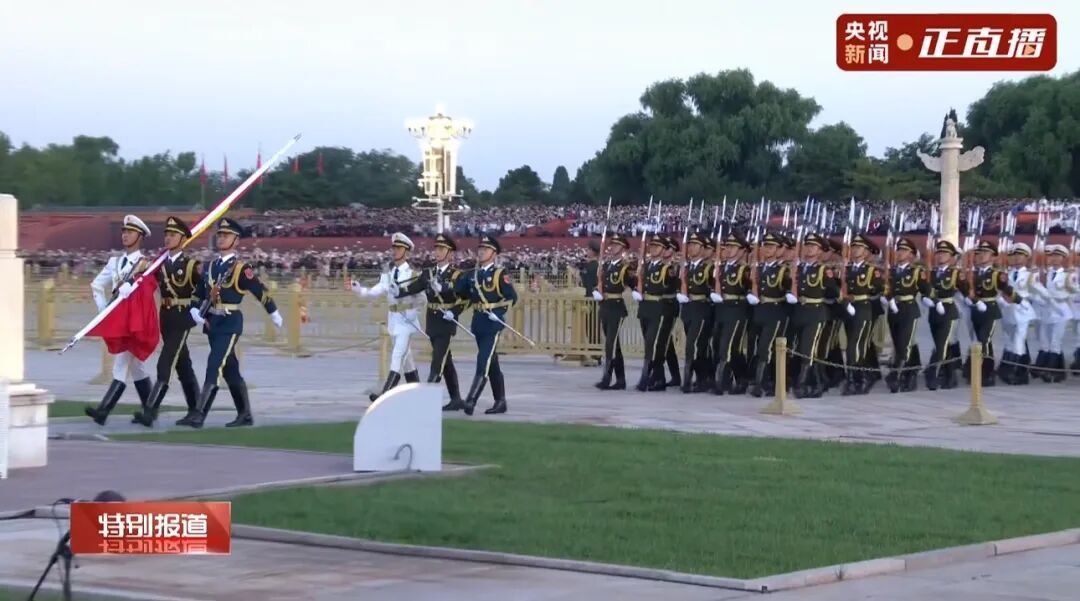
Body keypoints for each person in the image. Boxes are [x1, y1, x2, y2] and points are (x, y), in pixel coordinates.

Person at [183, 218, 283, 428]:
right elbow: (198, 292)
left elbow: (259, 290)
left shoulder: (240, 269)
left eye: (226, 236)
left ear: (236, 241)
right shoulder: (210, 267)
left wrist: (273, 311)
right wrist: (194, 308)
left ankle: (199, 414)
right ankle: (245, 414)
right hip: (212, 322)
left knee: (214, 364)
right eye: (219, 235)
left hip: (230, 322)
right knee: (230, 370)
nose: (221, 238)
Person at [133, 216, 203, 427]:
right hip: (166, 316)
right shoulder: (158, 264)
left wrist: (198, 310)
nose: (168, 238)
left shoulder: (191, 265)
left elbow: (204, 290)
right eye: (166, 235)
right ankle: (196, 411)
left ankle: (150, 411)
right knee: (183, 366)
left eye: (172, 235)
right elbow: (144, 282)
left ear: (182, 238)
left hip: (183, 317)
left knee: (165, 364)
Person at [85, 214, 154, 425]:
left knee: (121, 366)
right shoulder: (114, 262)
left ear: (140, 237)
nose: (125, 235)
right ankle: (150, 413)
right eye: (124, 231)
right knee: (137, 369)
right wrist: (104, 310)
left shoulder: (145, 264)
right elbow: (97, 285)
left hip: (135, 323)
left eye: (130, 232)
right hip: (119, 322)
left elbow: (149, 290)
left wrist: (135, 286)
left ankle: (103, 412)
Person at [351, 232, 428, 401]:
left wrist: (412, 311)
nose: (395, 251)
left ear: (407, 252)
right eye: (394, 247)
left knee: (398, 356)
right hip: (394, 319)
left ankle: (385, 395)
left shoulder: (413, 275)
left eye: (399, 248)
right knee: (407, 360)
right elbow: (376, 291)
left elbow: (422, 299)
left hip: (407, 321)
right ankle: (418, 395)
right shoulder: (388, 274)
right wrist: (360, 291)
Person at [401, 233, 469, 411]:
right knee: (446, 361)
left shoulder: (457, 276)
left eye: (442, 249)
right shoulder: (428, 272)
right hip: (432, 321)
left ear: (450, 253)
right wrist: (396, 289)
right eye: (436, 249)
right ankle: (456, 399)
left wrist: (454, 312)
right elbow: (414, 287)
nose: (437, 252)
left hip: (446, 323)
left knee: (437, 361)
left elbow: (465, 298)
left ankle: (426, 399)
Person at [456, 235, 518, 415]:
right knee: (492, 364)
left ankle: (471, 400)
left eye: (486, 249)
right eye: (480, 249)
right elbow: (461, 293)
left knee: (483, 360)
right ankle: (501, 401)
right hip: (478, 323)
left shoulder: (500, 274)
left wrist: (497, 314)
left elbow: (511, 298)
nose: (481, 252)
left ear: (494, 253)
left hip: (492, 324)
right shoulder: (473, 274)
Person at [789, 233, 839, 399]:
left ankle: (802, 384)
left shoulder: (824, 270)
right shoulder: (799, 269)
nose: (809, 249)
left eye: (813, 247)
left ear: (819, 251)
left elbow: (833, 292)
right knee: (805, 350)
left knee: (808, 349)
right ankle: (819, 382)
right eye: (807, 245)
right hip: (799, 313)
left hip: (816, 313)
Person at [630, 234, 678, 391]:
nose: (653, 249)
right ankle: (659, 378)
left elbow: (673, 277)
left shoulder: (667, 268)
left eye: (657, 246)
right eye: (652, 246)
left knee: (654, 344)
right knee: (649, 343)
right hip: (645, 309)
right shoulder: (646, 266)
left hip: (659, 309)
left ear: (664, 249)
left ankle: (646, 378)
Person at [965, 239, 1015, 387]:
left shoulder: (997, 274)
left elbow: (1007, 290)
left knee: (985, 340)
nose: (981, 256)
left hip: (990, 309)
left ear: (993, 257)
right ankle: (977, 369)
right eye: (979, 253)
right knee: (978, 339)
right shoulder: (972, 274)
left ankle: (986, 372)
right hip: (975, 310)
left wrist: (1018, 301)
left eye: (986, 253)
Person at [882, 238, 929, 393]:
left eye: (904, 251)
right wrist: (887, 298)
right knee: (898, 343)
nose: (900, 253)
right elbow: (886, 290)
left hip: (909, 310)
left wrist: (930, 300)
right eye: (898, 250)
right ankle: (911, 371)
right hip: (893, 311)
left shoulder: (916, 272)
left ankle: (896, 376)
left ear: (911, 254)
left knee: (905, 344)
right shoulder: (892, 271)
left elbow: (926, 290)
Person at [748, 232, 792, 398]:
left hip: (775, 312)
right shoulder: (758, 269)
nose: (767, 250)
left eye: (771, 246)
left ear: (778, 249)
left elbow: (789, 288)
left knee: (765, 348)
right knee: (761, 347)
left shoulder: (783, 270)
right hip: (760, 312)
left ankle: (761, 384)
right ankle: (766, 381)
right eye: (765, 246)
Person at [709, 231, 753, 395]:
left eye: (734, 247)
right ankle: (742, 378)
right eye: (727, 246)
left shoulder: (745, 270)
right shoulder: (720, 268)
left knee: (727, 347)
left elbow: (751, 288)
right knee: (725, 346)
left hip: (737, 311)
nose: (729, 250)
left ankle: (720, 383)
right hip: (721, 310)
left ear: (742, 251)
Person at [841, 234, 883, 395]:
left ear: (866, 252)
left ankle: (859, 378)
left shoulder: (872, 270)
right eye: (854, 247)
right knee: (853, 344)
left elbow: (878, 287)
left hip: (863, 308)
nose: (856, 250)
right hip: (849, 309)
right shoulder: (847, 268)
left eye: (859, 248)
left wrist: (866, 293)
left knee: (856, 346)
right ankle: (855, 378)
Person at [923, 240, 967, 390]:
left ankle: (932, 374)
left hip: (949, 311)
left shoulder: (956, 273)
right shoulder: (932, 273)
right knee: (942, 345)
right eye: (939, 253)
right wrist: (926, 299)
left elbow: (967, 292)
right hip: (934, 311)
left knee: (942, 344)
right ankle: (950, 376)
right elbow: (925, 290)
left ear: (952, 256)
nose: (941, 256)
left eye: (945, 253)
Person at [591, 233, 634, 390]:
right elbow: (601, 283)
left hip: (616, 307)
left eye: (617, 245)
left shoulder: (625, 267)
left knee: (610, 344)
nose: (613, 247)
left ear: (623, 248)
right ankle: (621, 380)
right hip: (606, 306)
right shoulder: (607, 265)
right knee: (614, 346)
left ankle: (606, 378)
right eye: (612, 244)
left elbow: (634, 283)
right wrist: (597, 291)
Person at [676, 230, 715, 393]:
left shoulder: (709, 268)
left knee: (693, 344)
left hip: (702, 309)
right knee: (700, 345)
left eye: (695, 245)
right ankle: (703, 377)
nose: (691, 248)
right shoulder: (686, 267)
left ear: (703, 247)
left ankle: (688, 379)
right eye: (690, 245)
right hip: (688, 309)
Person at [1031, 245, 1072, 382]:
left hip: (1061, 312)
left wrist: (1059, 297)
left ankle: (1052, 371)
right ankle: (1056, 370)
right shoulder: (1045, 274)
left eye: (1058, 256)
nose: (1054, 259)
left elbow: (1073, 292)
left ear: (1063, 258)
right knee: (1046, 341)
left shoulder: (1068, 275)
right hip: (1047, 312)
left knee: (1055, 341)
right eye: (1052, 256)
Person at [999, 243, 1037, 384]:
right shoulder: (1005, 275)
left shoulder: (1030, 275)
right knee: (1009, 339)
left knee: (1019, 340)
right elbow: (1000, 292)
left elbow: (1036, 292)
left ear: (1027, 257)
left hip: (1022, 310)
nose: (1016, 258)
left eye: (1020, 255)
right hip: (1007, 310)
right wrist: (1001, 302)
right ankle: (1007, 367)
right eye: (1013, 255)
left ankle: (1018, 372)